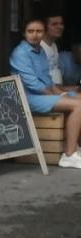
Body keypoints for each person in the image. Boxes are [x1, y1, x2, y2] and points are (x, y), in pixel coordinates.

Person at [9, 18, 81, 169]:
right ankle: (69, 156)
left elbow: (47, 80)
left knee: (78, 98)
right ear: (24, 33)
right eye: (30, 31)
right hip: (28, 98)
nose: (34, 35)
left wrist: (62, 92)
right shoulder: (20, 53)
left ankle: (75, 147)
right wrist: (58, 96)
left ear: (43, 33)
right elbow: (33, 84)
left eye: (38, 31)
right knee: (79, 106)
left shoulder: (40, 51)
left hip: (42, 95)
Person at [42, 14, 80, 87]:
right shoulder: (39, 47)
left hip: (59, 90)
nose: (60, 27)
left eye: (61, 24)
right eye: (54, 24)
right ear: (44, 27)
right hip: (48, 92)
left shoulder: (54, 45)